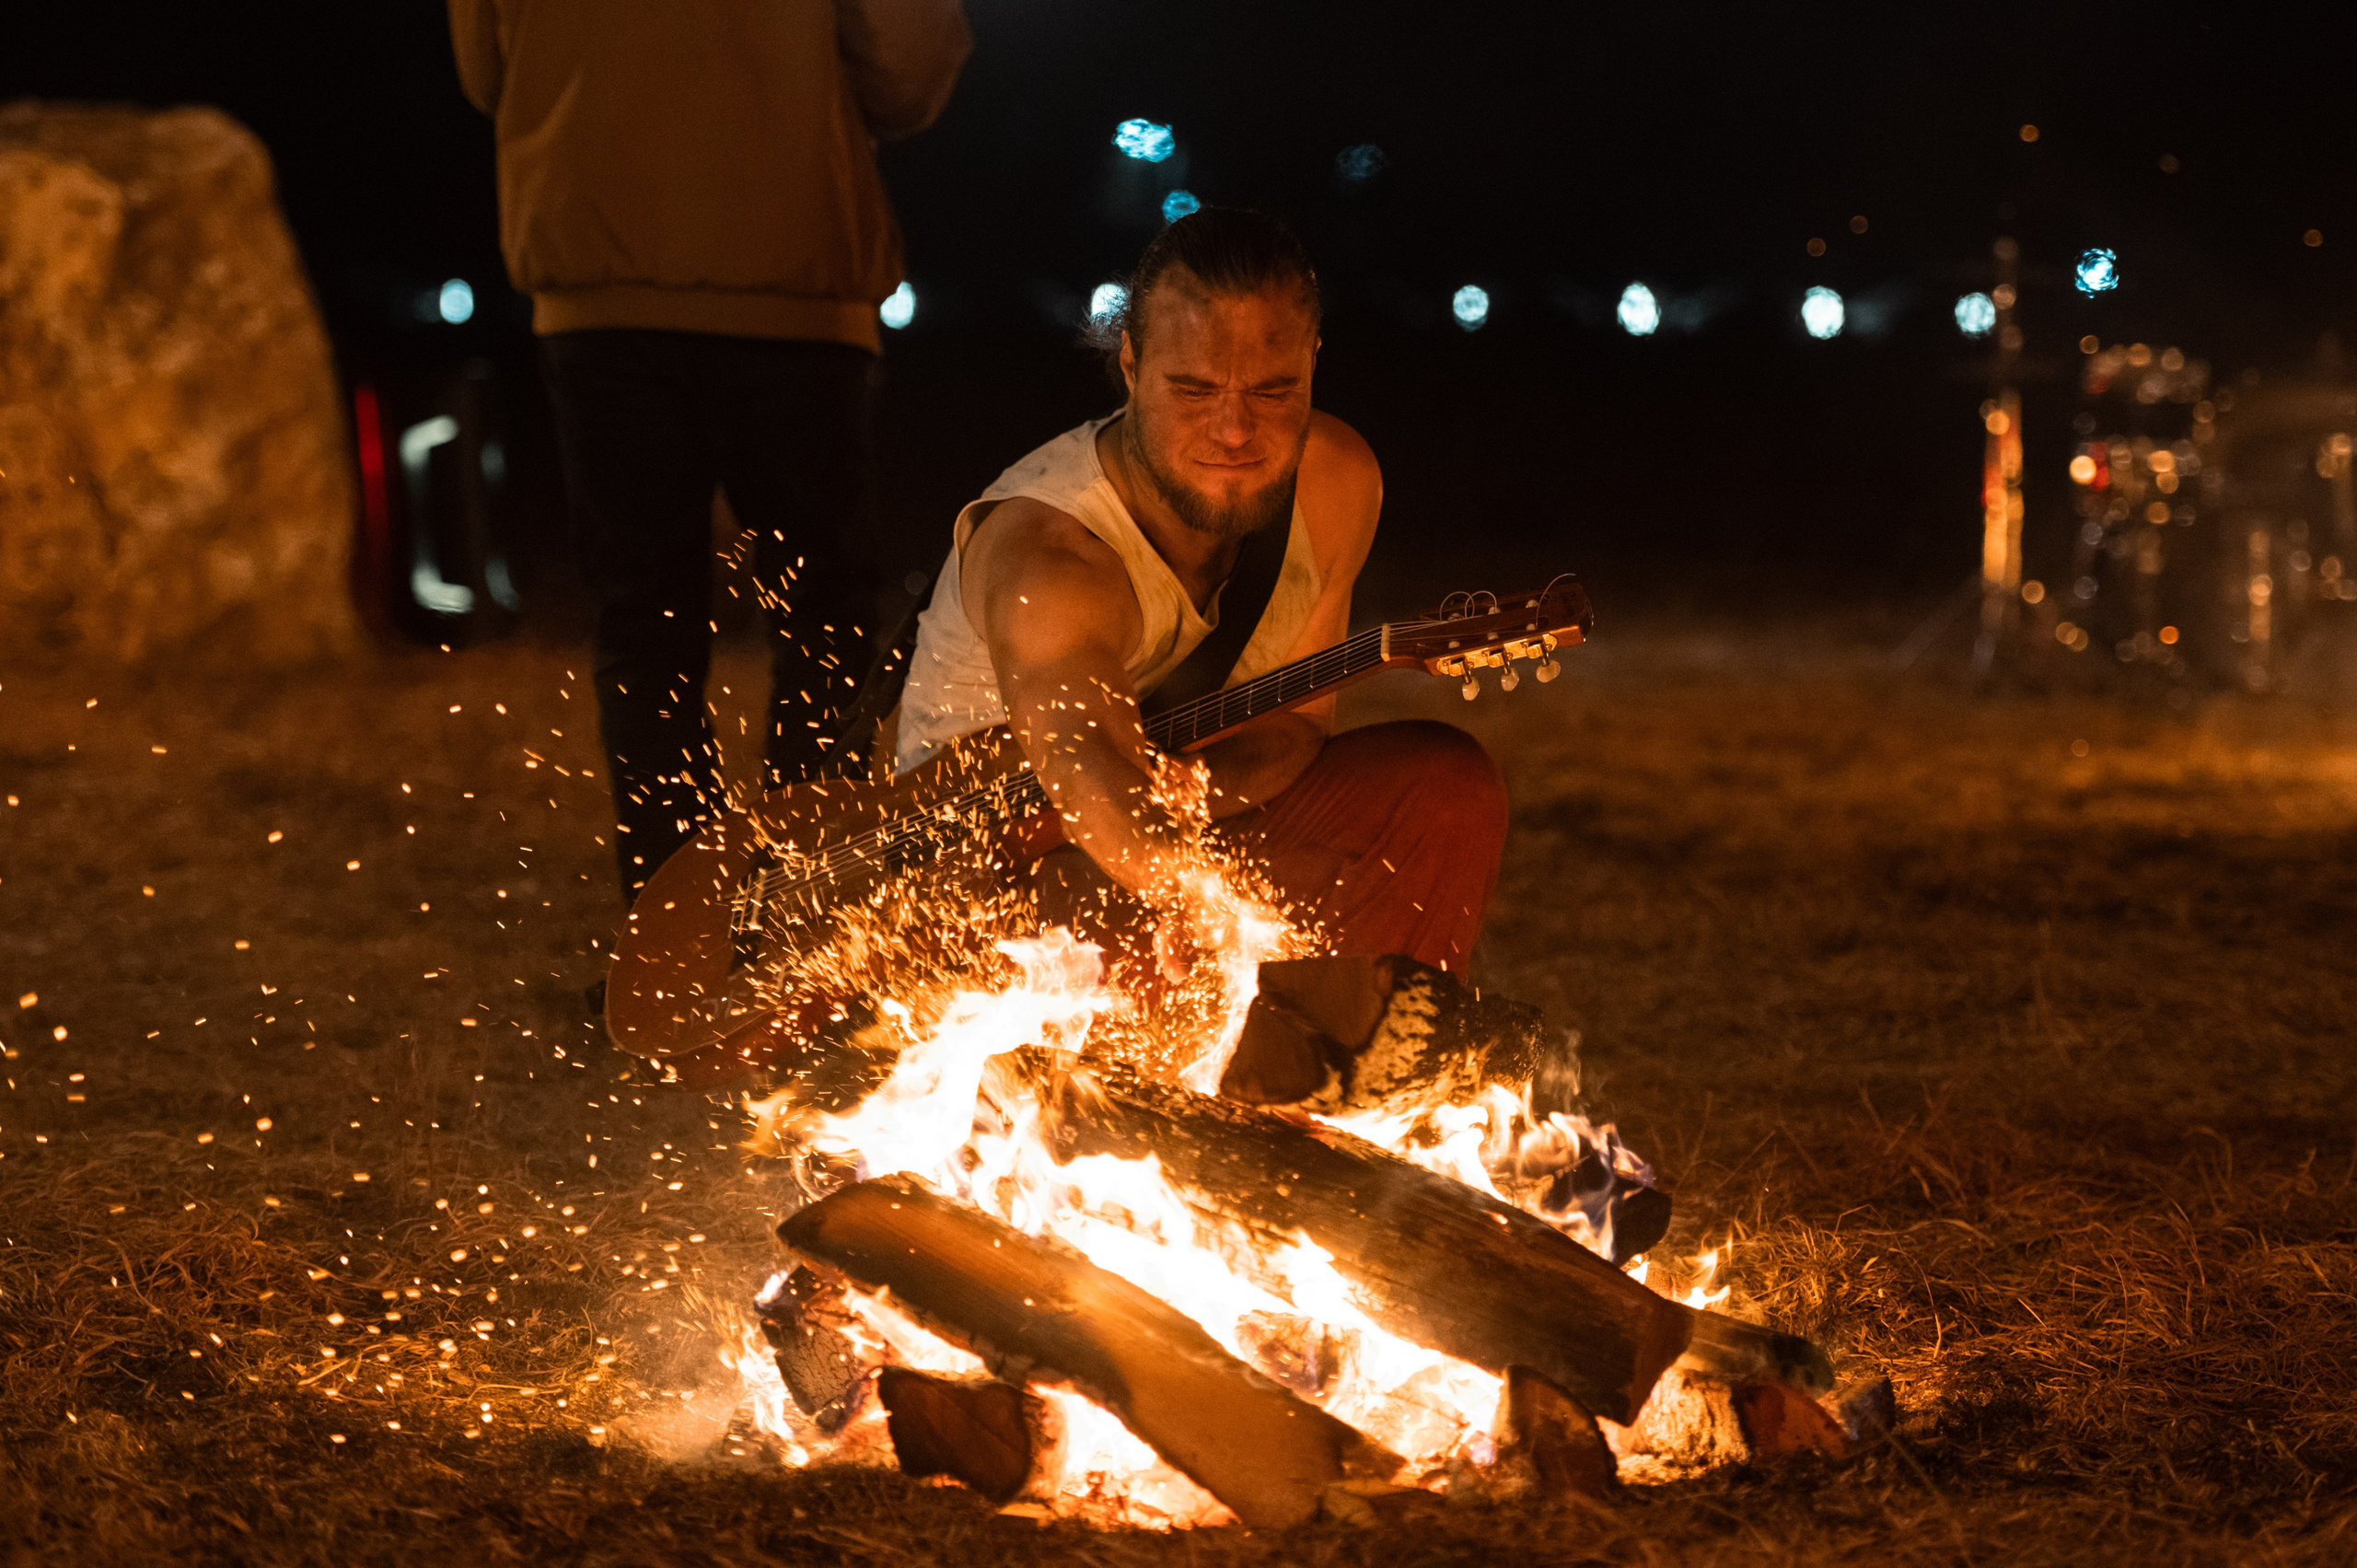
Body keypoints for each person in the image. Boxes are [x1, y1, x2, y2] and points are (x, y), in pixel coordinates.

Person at [447, 0, 972, 900]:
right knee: (823, 615)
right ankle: (805, 912)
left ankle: (675, 934)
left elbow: (486, 73)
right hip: (790, 272)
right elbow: (909, 72)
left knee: (645, 623)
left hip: (595, 267)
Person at [893, 207, 1507, 973]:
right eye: (1192, 389)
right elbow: (1088, 769)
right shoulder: (1051, 553)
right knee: (1110, 909)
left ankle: (1364, 1059)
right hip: (989, 878)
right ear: (1130, 365)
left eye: (1274, 390)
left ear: (1315, 358)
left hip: (1173, 832)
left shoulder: (1336, 485)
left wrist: (1199, 789)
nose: (1234, 430)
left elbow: (1295, 731)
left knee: (1444, 789)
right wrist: (1203, 901)